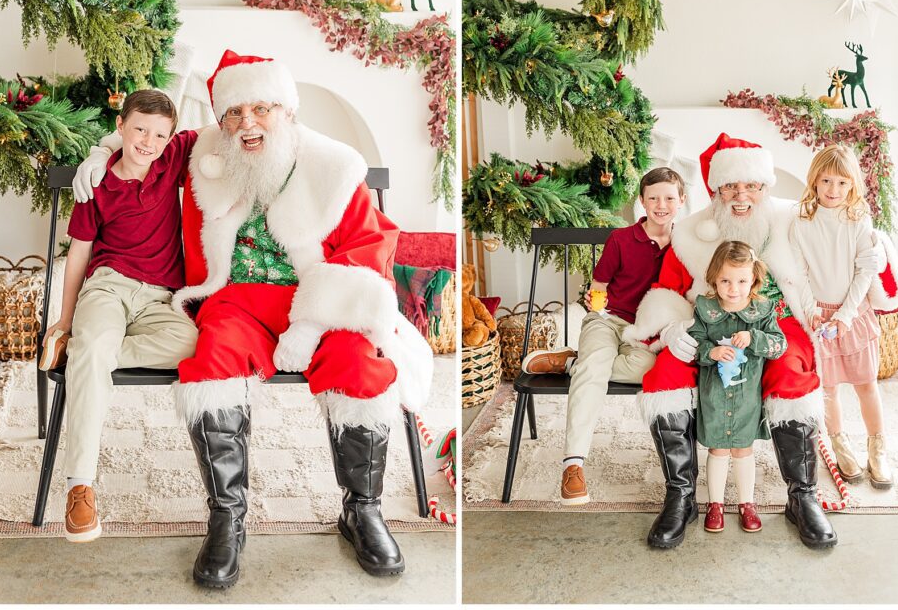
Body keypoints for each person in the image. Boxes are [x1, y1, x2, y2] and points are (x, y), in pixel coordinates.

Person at [75, 50, 433, 587]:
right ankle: (228, 516)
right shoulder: (209, 159)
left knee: (360, 365)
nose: (248, 123)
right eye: (235, 113)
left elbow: (368, 248)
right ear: (221, 123)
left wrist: (309, 322)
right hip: (238, 299)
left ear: (287, 112)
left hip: (321, 301)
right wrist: (101, 152)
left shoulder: (332, 165)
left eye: (261, 109)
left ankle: (363, 510)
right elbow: (146, 139)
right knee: (212, 359)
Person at [622, 132, 898, 550]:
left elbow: (852, 243)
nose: (741, 196)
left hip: (781, 320)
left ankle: (802, 496)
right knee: (664, 375)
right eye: (730, 186)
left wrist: (879, 251)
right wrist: (673, 331)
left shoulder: (797, 218)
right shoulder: (689, 235)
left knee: (792, 374)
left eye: (751, 185)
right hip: (704, 325)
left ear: (765, 187)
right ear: (716, 190)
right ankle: (681, 496)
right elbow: (665, 294)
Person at [42, 90, 199, 543]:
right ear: (121, 126)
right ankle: (80, 487)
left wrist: (101, 147)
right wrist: (65, 320)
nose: (148, 141)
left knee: (195, 344)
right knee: (91, 343)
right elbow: (79, 254)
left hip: (160, 300)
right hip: (107, 286)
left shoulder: (171, 160)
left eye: (158, 134)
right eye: (138, 129)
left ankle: (90, 352)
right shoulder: (97, 185)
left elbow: (222, 123)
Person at [521, 168, 686, 505]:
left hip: (647, 332)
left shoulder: (686, 243)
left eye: (669, 197)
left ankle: (571, 364)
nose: (661, 204)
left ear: (681, 201)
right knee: (597, 361)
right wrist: (597, 311)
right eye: (653, 197)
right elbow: (598, 288)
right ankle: (573, 465)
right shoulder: (621, 240)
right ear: (641, 201)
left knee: (643, 370)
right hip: (608, 320)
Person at [789, 145, 893, 488]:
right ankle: (839, 442)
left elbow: (865, 272)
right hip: (821, 317)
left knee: (866, 385)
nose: (833, 190)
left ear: (852, 186)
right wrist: (812, 311)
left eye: (842, 184)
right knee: (828, 390)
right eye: (827, 181)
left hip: (854, 313)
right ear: (815, 181)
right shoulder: (801, 222)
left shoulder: (858, 220)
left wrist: (846, 316)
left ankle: (878, 447)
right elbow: (800, 274)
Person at [688, 240, 786, 534]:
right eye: (725, 281)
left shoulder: (763, 310)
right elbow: (694, 344)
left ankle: (747, 503)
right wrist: (711, 352)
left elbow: (779, 345)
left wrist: (754, 337)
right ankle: (715, 504)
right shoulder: (705, 309)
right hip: (714, 395)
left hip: (746, 398)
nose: (733, 288)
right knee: (718, 449)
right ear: (714, 279)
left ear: (754, 278)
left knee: (743, 449)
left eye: (742, 281)